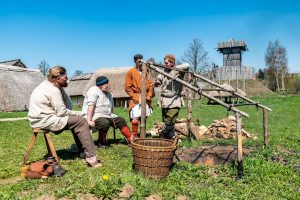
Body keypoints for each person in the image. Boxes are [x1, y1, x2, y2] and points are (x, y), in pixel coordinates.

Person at [28, 66, 101, 167]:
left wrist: (64, 87)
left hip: (42, 117)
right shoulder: (52, 90)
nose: (68, 80)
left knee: (77, 121)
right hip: (43, 120)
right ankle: (91, 157)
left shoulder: (52, 85)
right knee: (80, 121)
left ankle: (84, 152)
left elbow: (67, 103)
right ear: (58, 78)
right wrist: (80, 114)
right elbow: (62, 112)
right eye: (65, 78)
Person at [82, 76, 133, 146]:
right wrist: (89, 120)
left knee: (120, 120)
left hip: (107, 115)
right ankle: (101, 141)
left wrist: (113, 118)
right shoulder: (93, 91)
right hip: (94, 115)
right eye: (107, 83)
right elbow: (91, 106)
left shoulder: (109, 94)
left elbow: (111, 109)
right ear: (102, 84)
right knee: (104, 123)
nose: (109, 85)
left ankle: (131, 139)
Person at [155, 54, 189, 139]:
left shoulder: (178, 70)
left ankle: (164, 132)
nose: (165, 64)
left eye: (167, 62)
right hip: (165, 99)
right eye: (165, 63)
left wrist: (175, 67)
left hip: (175, 99)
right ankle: (171, 137)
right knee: (167, 119)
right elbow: (158, 79)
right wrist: (157, 82)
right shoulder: (163, 71)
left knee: (170, 119)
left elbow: (187, 65)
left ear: (172, 62)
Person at [125, 54, 154, 137]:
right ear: (135, 61)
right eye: (138, 60)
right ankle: (134, 135)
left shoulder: (146, 72)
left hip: (146, 97)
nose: (140, 62)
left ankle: (142, 134)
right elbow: (127, 87)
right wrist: (134, 97)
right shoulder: (131, 72)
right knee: (136, 117)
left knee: (144, 117)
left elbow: (151, 85)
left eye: (141, 60)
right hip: (136, 96)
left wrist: (149, 95)